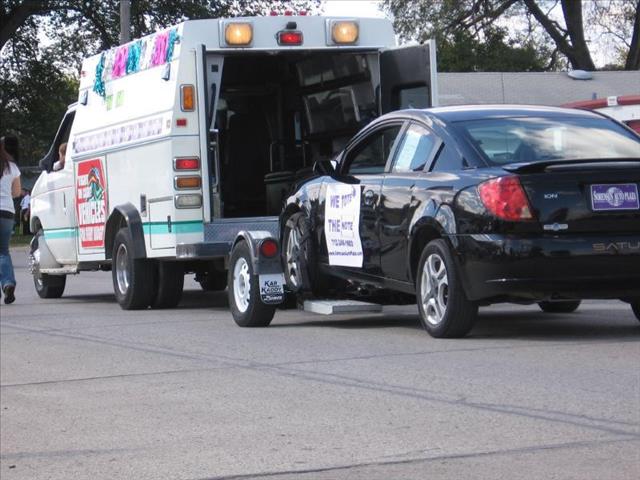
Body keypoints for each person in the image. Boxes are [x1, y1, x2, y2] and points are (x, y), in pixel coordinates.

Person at [0, 136, 21, 304]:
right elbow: (17, 193)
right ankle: (8, 282)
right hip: (7, 212)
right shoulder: (13, 168)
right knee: (3, 251)